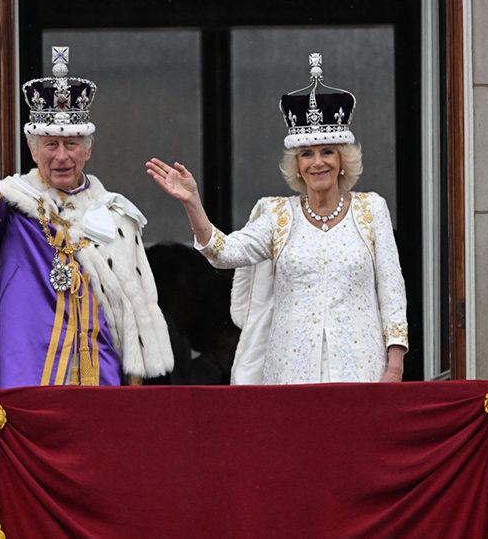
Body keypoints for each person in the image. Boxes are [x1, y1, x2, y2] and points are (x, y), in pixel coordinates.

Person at [147, 52, 407, 384]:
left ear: (343, 159)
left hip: (361, 368)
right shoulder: (277, 215)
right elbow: (224, 253)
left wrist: (394, 365)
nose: (318, 163)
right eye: (307, 154)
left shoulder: (371, 210)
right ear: (296, 164)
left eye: (328, 151)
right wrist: (192, 202)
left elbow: (392, 291)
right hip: (290, 371)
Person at [0, 47, 174, 387]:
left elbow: (131, 315)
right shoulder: (16, 205)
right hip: (28, 375)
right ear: (33, 149)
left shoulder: (115, 215)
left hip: (100, 376)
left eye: (72, 144)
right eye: (50, 144)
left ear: (88, 149)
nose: (61, 156)